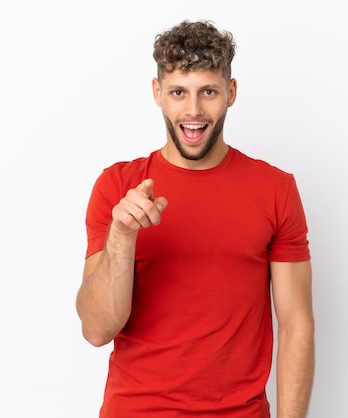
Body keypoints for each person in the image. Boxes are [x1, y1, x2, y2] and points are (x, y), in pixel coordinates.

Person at [76, 19, 314, 417]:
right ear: (157, 93)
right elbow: (97, 329)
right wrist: (121, 237)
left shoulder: (276, 189)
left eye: (208, 92)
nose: (193, 111)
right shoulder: (118, 187)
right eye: (178, 92)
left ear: (230, 93)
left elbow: (296, 326)